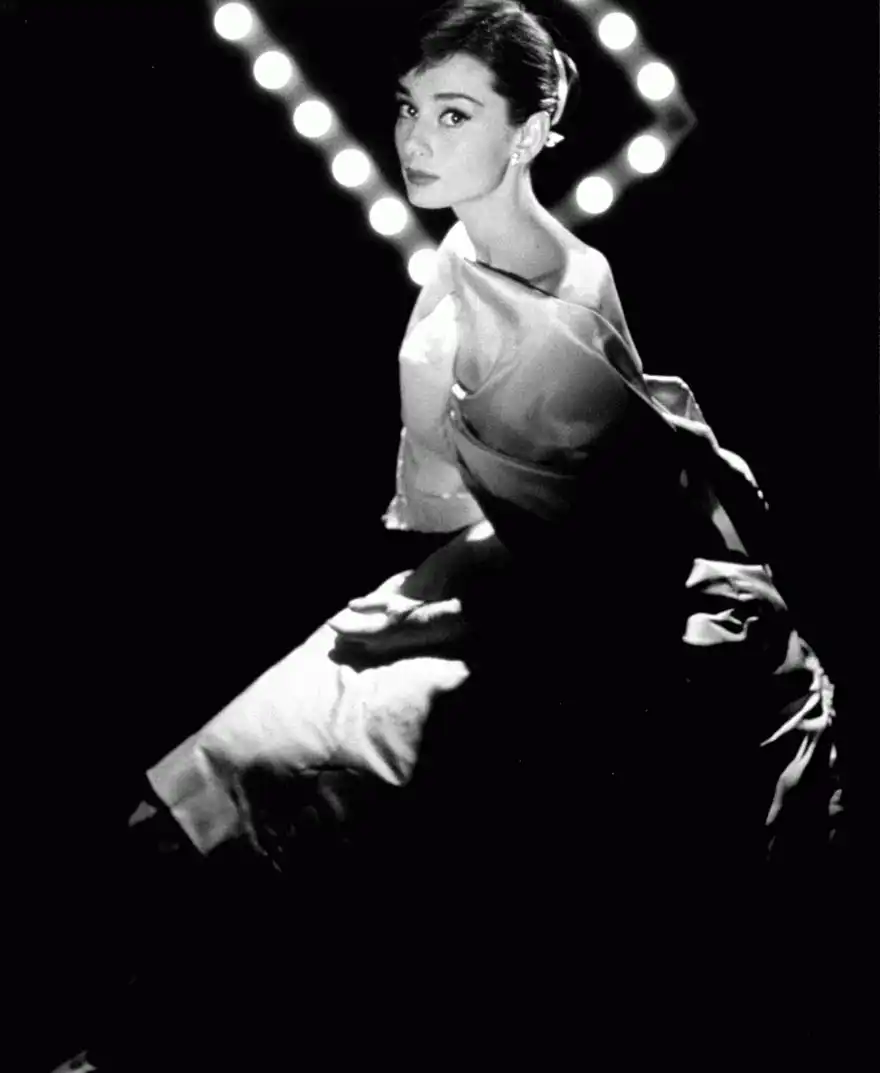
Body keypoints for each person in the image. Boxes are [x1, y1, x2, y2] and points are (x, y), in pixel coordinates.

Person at [51, 1, 844, 1069]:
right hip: (519, 575)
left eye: (455, 113)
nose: (416, 139)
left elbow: (610, 543)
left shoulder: (569, 292)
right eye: (409, 108)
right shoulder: (460, 258)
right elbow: (480, 496)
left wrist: (433, 611)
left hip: (619, 625)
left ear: (533, 129)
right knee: (244, 773)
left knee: (314, 786)